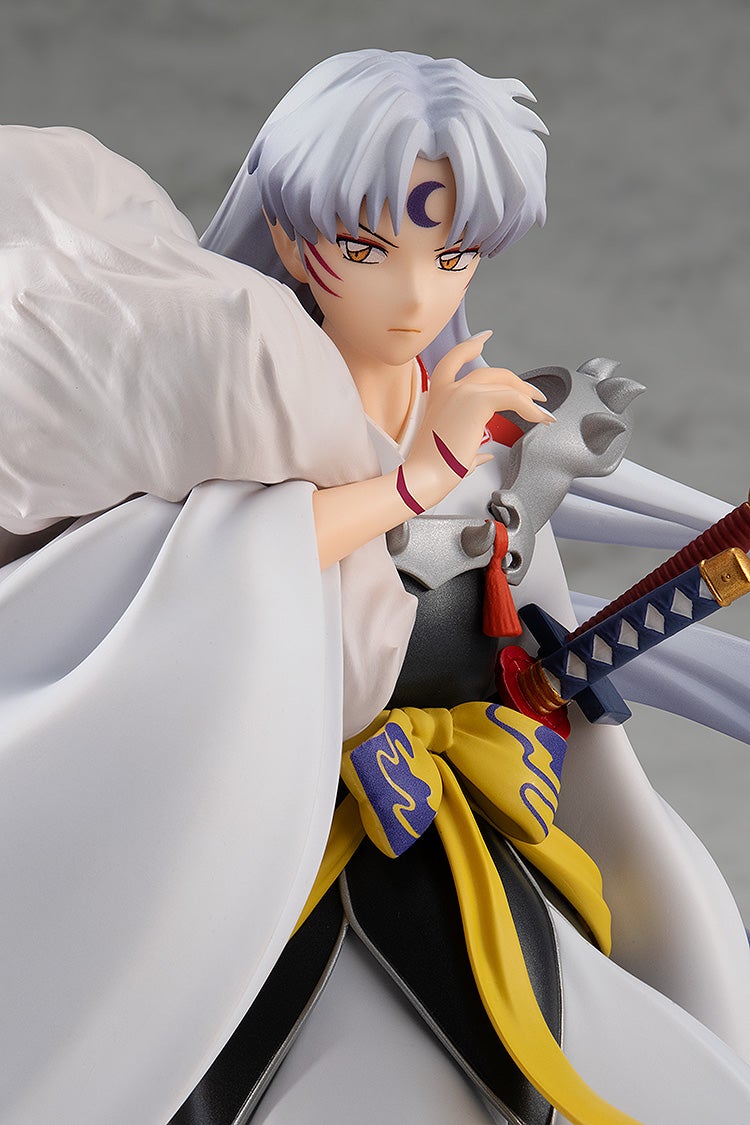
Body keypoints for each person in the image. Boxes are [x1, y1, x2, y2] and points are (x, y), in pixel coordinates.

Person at [0, 50, 748, 1125]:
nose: (414, 291)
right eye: (365, 247)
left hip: (460, 844)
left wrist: (535, 720)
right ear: (293, 238)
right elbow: (230, 576)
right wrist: (410, 484)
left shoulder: (484, 436)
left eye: (453, 253)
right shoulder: (248, 415)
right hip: (275, 847)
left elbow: (522, 641)